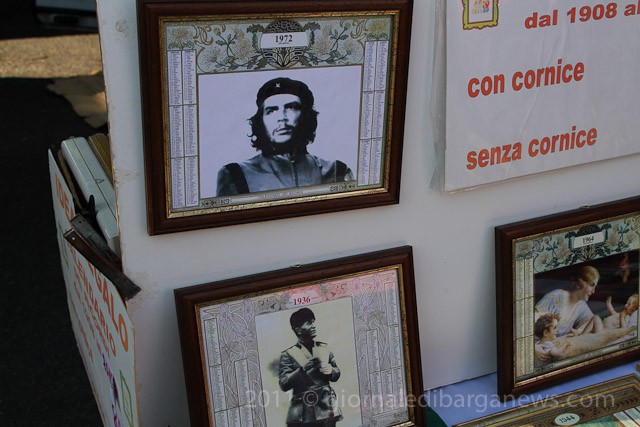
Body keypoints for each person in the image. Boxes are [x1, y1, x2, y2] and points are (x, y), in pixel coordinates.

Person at [216, 77, 354, 196]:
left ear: (306, 117)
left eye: (291, 107)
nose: (282, 117)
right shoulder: (235, 175)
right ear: (260, 121)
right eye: (272, 110)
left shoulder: (337, 171)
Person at [279, 307, 342, 427]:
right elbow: (284, 383)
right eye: (309, 323)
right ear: (298, 330)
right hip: (303, 413)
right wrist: (302, 370)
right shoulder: (288, 354)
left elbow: (337, 372)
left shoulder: (324, 348)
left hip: (326, 407)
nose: (314, 326)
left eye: (313, 322)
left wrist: (331, 371)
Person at [533, 265, 603, 361]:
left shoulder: (581, 306)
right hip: (535, 352)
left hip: (553, 354)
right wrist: (533, 348)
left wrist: (579, 332)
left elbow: (593, 323)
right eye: (591, 285)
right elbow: (526, 326)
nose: (593, 291)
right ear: (580, 283)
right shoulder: (555, 297)